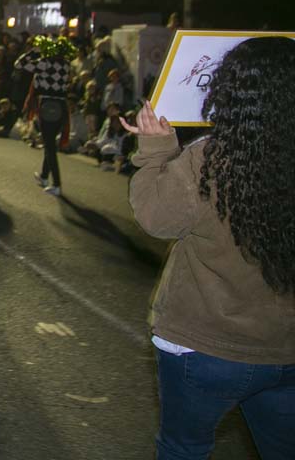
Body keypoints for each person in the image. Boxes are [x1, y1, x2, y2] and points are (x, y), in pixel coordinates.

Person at [125, 37, 295, 459]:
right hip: (286, 349)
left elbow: (156, 218)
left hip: (204, 346)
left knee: (184, 448)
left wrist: (156, 151)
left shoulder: (210, 160)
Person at [15, 36, 74, 196]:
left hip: (48, 106)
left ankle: (57, 184)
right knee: (50, 142)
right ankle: (43, 176)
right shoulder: (66, 64)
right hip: (62, 106)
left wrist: (34, 51)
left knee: (49, 146)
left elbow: (19, 64)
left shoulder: (44, 63)